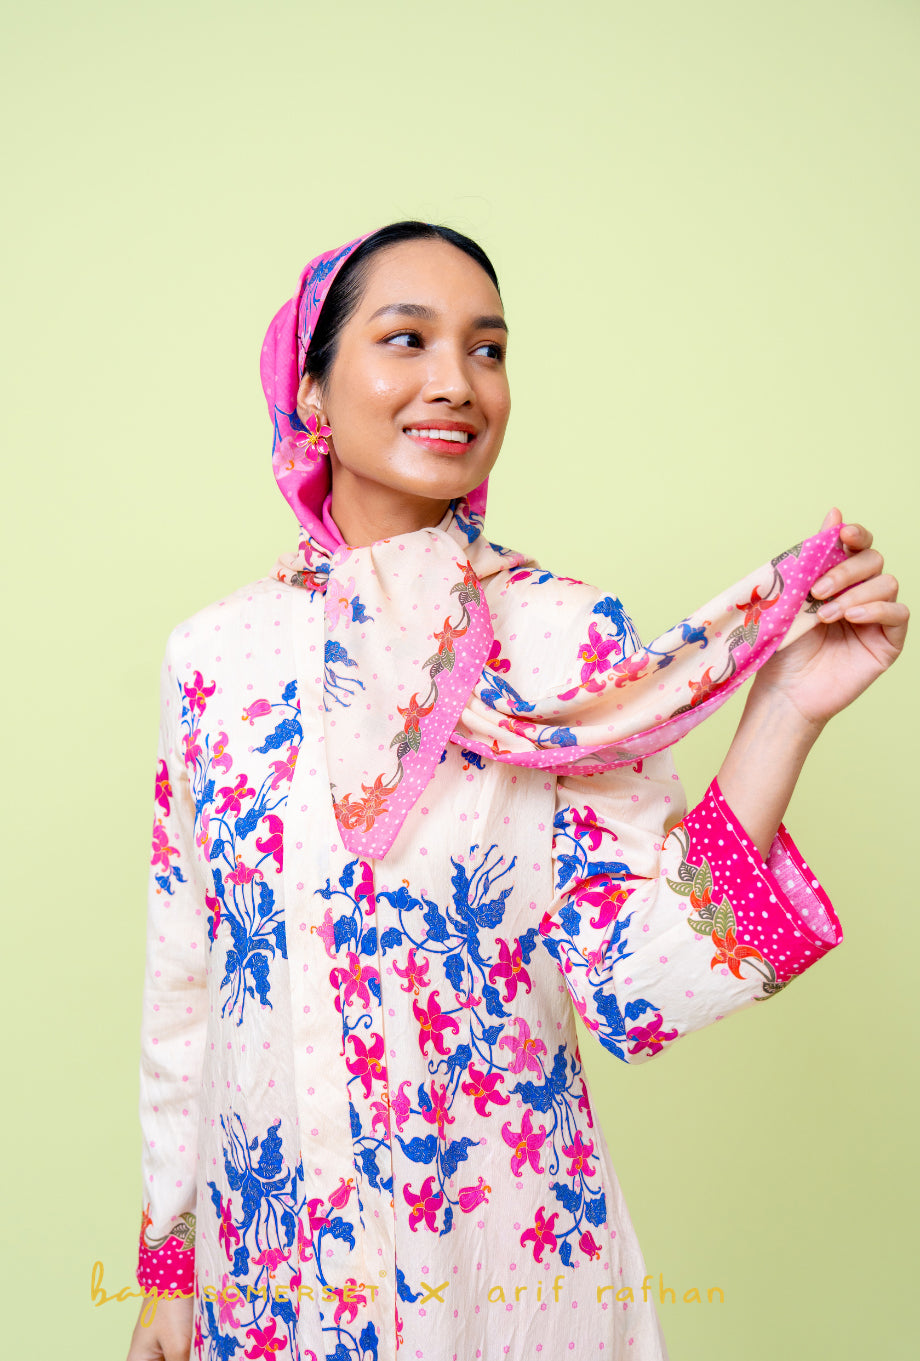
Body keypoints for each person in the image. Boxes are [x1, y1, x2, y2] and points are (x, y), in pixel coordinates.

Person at [125, 221, 907, 1361]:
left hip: (505, 1278)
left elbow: (638, 982)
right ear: (312, 387)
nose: (456, 381)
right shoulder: (215, 657)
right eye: (407, 339)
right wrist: (168, 1265)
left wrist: (784, 709)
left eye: (486, 349)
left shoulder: (561, 638)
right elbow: (185, 985)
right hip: (270, 1287)